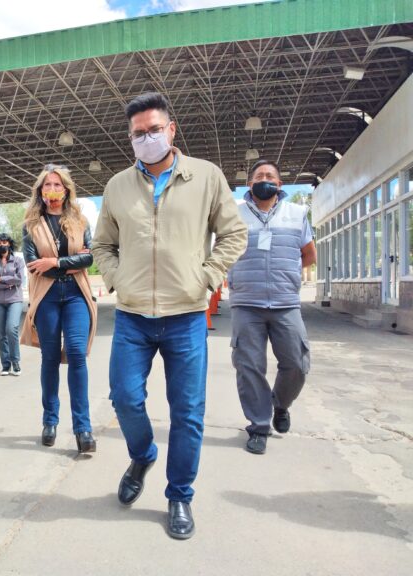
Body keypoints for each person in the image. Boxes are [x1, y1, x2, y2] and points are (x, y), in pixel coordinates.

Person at [92, 92, 247, 539]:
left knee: (188, 411)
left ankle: (179, 495)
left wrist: (207, 277)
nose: (147, 138)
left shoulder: (206, 176)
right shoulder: (118, 186)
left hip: (186, 315)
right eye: (138, 133)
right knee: (124, 397)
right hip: (133, 315)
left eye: (154, 130)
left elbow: (234, 234)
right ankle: (142, 455)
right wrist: (118, 279)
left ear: (171, 129)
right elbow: (102, 244)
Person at [227, 159, 316, 455]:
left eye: (270, 176)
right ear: (249, 184)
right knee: (249, 366)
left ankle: (280, 404)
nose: (264, 179)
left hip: (285, 303)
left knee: (297, 363)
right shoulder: (234, 215)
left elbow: (309, 255)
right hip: (246, 304)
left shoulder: (297, 214)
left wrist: (287, 275)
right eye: (258, 176)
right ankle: (259, 426)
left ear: (279, 184)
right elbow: (222, 252)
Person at [20, 164, 98, 454]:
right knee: (50, 357)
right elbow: (33, 265)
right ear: (40, 191)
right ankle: (50, 421)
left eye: (57, 185)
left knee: (77, 353)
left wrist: (54, 262)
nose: (52, 189)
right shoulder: (30, 225)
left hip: (76, 295)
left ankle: (83, 428)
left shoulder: (80, 221)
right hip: (47, 296)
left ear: (66, 190)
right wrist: (70, 263)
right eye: (47, 185)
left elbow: (89, 258)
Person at [0, 233, 24, 376]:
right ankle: (5, 365)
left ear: (9, 244)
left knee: (11, 328)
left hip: (15, 300)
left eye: (5, 242)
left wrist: (1, 279)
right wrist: (8, 283)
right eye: (0, 243)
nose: (2, 245)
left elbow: (19, 279)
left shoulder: (18, 261)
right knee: (1, 333)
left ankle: (16, 361)